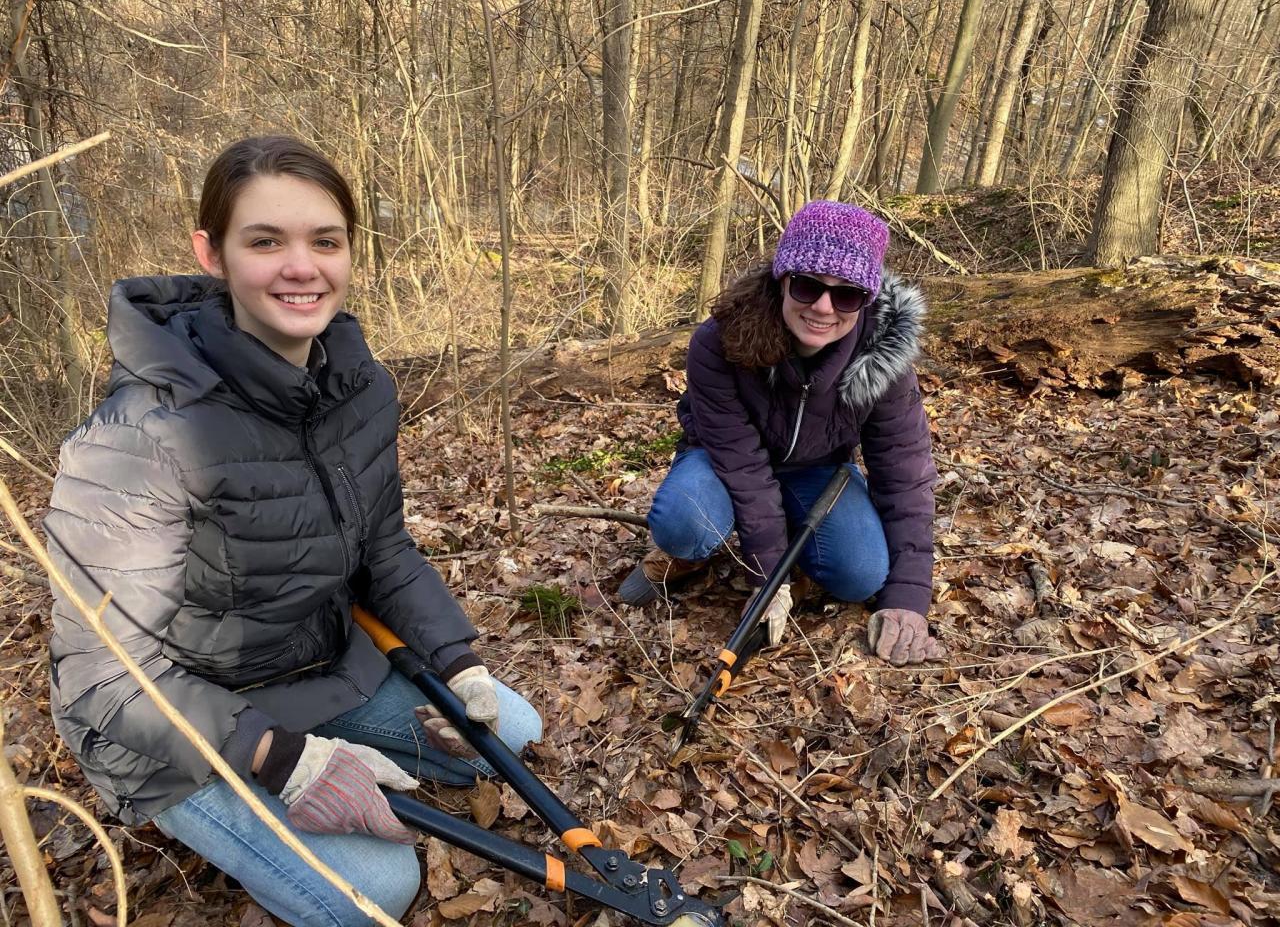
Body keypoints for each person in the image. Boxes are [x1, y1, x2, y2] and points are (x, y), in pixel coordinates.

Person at [45, 136, 542, 926]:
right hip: (172, 725)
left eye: (325, 241)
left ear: (351, 252)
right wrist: (284, 759)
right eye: (266, 241)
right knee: (375, 892)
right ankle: (225, 814)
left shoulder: (359, 387)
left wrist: (458, 660)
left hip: (309, 667)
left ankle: (320, 769)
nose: (301, 267)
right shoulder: (142, 435)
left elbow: (383, 548)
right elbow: (104, 676)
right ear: (211, 253)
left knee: (510, 731)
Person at [618, 200, 942, 665]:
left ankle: (799, 549)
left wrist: (908, 597)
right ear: (782, 279)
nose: (824, 307)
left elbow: (904, 474)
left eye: (847, 295)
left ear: (867, 299)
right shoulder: (719, 340)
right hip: (723, 463)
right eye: (808, 286)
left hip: (818, 470)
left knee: (861, 576)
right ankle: (687, 556)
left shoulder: (884, 356)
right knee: (684, 524)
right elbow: (743, 466)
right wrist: (769, 578)